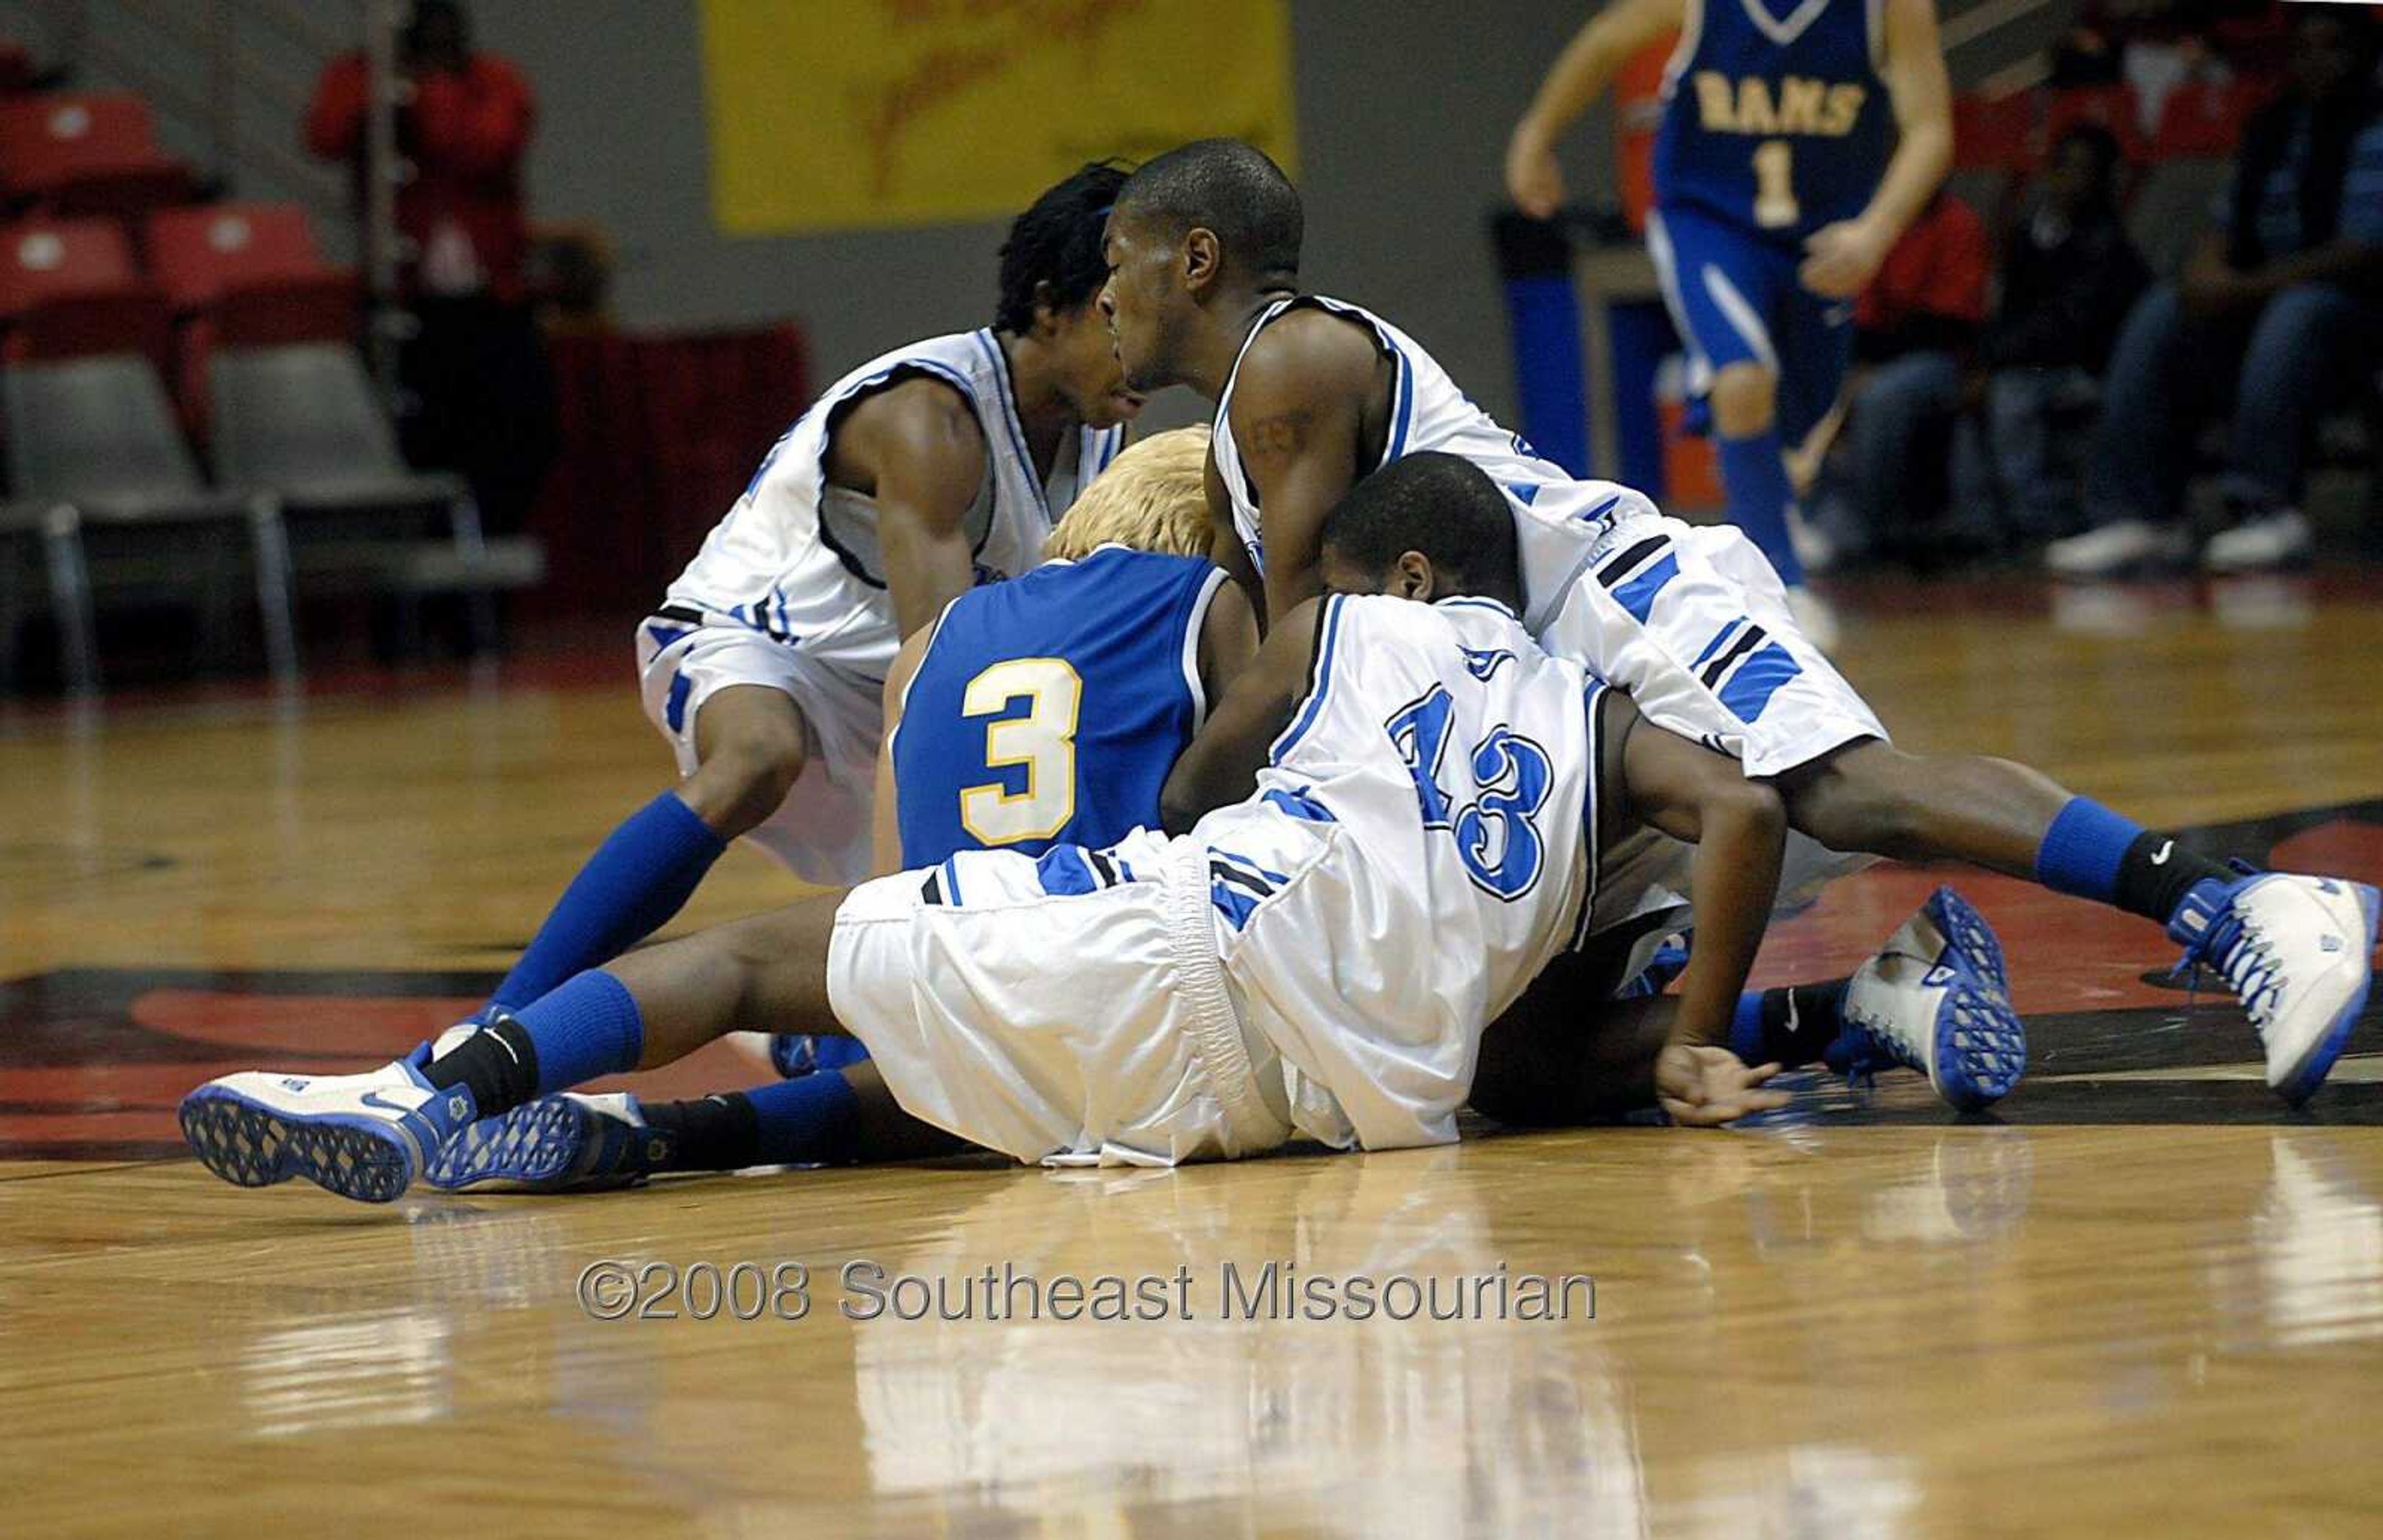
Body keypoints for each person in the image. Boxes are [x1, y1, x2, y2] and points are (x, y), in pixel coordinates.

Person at [187, 452, 1999, 1203]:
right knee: (1532, 1039)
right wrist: (1690, 1040)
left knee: (761, 950)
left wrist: (1260, 757)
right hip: (1325, 1119)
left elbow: (1205, 784)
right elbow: (1748, 807)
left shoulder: (1328, 621)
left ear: (1401, 571)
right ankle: (1825, 1016)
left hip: (1184, 944)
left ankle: (438, 1086)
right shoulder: (1605, 722)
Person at [1098, 137, 2377, 1105]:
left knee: (1843, 789)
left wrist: (1167, 808)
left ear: (1197, 258)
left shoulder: (1293, 356)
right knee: (1496, 1056)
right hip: (1531, 713)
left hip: (1607, 597)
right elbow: (1306, 697)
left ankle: (2237, 908)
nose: (1106, 296)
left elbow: (1300, 657)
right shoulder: (1230, 453)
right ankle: (1866, 1004)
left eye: (1119, 263)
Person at [429, 163, 1141, 1086]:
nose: (1143, 348)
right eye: (1119, 316)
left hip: (882, 673)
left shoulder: (1099, 427)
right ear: (1051, 306)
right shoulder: (931, 418)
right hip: (760, 641)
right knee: (758, 758)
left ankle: (822, 1043)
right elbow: (940, 673)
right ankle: (501, 1019)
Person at [416, 427, 1257, 1189]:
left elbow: (887, 901)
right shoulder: (1207, 600)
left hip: (950, 972)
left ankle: (450, 1076)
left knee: (840, 998)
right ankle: (667, 1128)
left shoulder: (933, 640)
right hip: (1114, 987)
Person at [1504, 0, 1957, 645]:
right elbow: (1608, 38)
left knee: (1795, 439)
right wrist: (1536, 134)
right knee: (1743, 379)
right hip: (1708, 222)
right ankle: (1779, 586)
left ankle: (1762, 480)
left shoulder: (1892, 9)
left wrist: (1875, 234)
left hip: (1823, 237)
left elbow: (1930, 130)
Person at [2049, 7, 2383, 577]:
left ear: (2360, 55)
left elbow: (2360, 251)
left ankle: (2265, 507)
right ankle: (2139, 515)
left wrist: (2245, 288)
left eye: (2332, 47)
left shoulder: (2375, 124)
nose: (2315, 61)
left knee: (2297, 312)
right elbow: (2222, 225)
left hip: (2352, 313)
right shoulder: (2272, 124)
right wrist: (2205, 272)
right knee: (2162, 308)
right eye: (2303, 47)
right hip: (2261, 306)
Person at [305, 0, 554, 534]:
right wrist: (383, 83)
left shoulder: (493, 79)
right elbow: (324, 134)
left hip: (491, 303)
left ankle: (488, 573)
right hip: (403, 302)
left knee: (515, 436)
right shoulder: (363, 75)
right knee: (412, 444)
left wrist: (421, 96)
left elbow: (483, 148)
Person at [1974, 122, 2150, 548]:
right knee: (1977, 400)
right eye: (2062, 169)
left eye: (2083, 171)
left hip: (2086, 369)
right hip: (2030, 363)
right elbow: (2006, 312)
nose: (2069, 181)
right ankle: (1981, 527)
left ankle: (2044, 522)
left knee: (2011, 396)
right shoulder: (2029, 233)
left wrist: (1998, 361)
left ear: (2103, 181)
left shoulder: (2110, 245)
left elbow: (2070, 328)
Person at [1809, 187, 1992, 566]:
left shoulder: (1959, 224)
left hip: (1944, 362)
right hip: (1882, 357)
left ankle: (1870, 531)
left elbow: (1950, 325)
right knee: (1812, 387)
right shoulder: (1873, 223)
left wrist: (1870, 370)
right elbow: (1861, 320)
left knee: (1881, 398)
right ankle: (1818, 521)